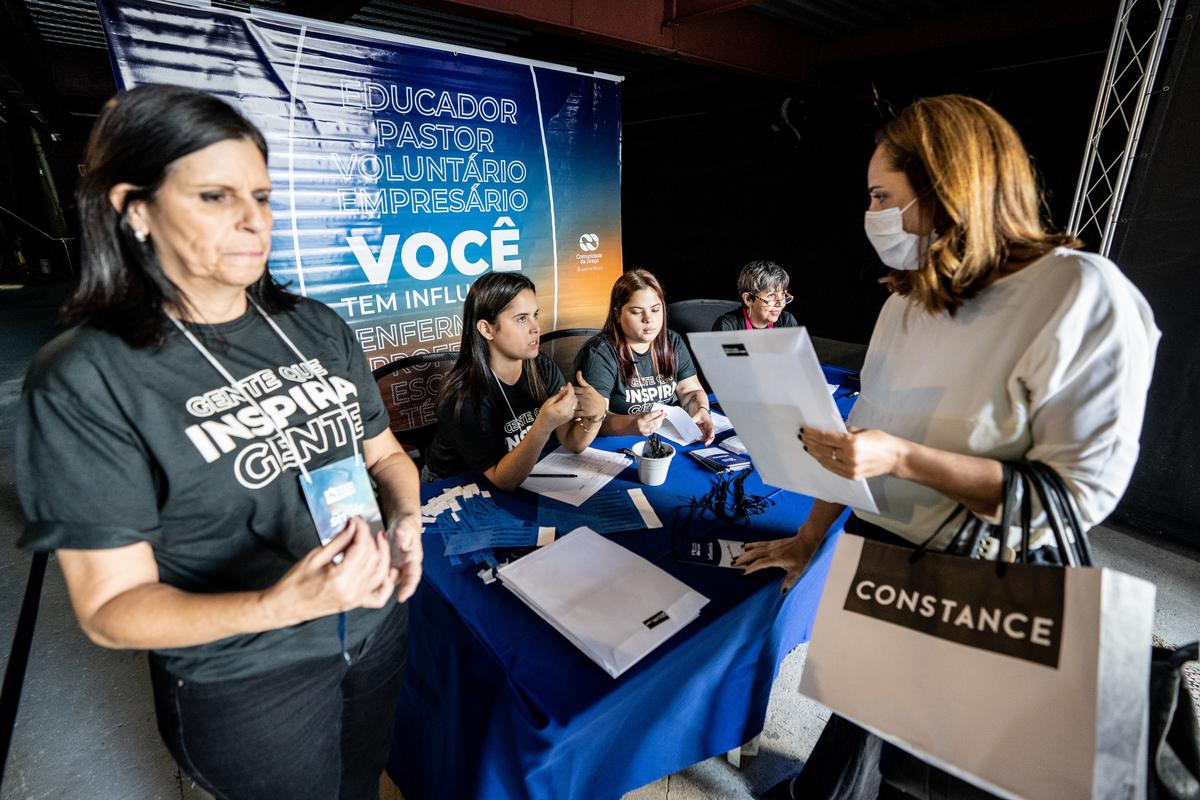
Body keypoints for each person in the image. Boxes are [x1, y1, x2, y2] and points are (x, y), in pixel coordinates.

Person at [737, 94, 1159, 799]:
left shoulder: (1082, 296)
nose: (871, 214)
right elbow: (859, 435)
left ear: (947, 187)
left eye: (882, 196)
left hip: (988, 591)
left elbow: (1079, 496)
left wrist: (903, 459)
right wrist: (810, 537)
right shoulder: (908, 299)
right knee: (865, 728)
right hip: (886, 570)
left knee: (953, 772)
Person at [15, 85, 424, 800]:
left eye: (262, 196)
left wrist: (406, 518)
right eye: (215, 196)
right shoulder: (87, 376)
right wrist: (284, 604)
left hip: (374, 628)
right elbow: (111, 610)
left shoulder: (316, 328)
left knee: (360, 784)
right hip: (249, 677)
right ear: (133, 209)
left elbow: (385, 456)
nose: (253, 220)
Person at [421, 271, 607, 490]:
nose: (536, 327)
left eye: (535, 315)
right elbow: (503, 480)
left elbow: (570, 441)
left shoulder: (542, 368)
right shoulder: (462, 397)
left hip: (515, 473)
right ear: (486, 329)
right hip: (453, 485)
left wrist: (596, 415)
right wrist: (543, 425)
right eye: (521, 319)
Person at [575, 268, 715, 443]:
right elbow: (593, 418)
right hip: (616, 442)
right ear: (618, 314)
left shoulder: (673, 342)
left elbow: (690, 390)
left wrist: (701, 410)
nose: (648, 319)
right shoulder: (598, 354)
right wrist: (630, 424)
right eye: (637, 312)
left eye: (655, 310)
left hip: (667, 437)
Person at [711, 260, 799, 331]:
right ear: (748, 299)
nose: (780, 304)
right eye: (771, 295)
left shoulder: (786, 321)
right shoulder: (728, 325)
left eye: (783, 294)